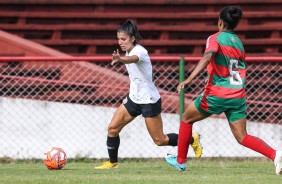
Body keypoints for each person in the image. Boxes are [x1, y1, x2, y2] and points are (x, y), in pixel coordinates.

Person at [165, 6, 282, 175]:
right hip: (237, 95)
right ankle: (275, 154)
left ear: (220, 22)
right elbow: (231, 66)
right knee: (242, 137)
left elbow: (208, 56)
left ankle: (180, 161)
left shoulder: (215, 38)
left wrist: (189, 79)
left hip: (218, 94)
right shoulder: (239, 43)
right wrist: (211, 73)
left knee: (186, 119)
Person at [95, 19, 203, 169]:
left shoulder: (140, 51)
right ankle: (112, 163)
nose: (120, 42)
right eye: (119, 39)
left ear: (132, 38)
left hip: (149, 100)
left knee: (160, 140)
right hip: (134, 98)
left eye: (123, 39)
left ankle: (191, 139)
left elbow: (133, 59)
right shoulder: (127, 50)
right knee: (113, 128)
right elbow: (129, 57)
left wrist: (121, 59)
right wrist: (122, 57)